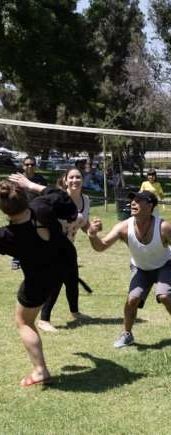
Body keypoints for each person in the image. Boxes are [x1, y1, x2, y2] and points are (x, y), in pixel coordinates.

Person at [86, 191, 171, 348]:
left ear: (150, 206)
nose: (133, 203)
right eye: (132, 200)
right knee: (132, 299)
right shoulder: (123, 227)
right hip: (141, 268)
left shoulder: (163, 227)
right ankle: (127, 334)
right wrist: (92, 235)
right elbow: (101, 247)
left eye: (138, 200)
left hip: (164, 265)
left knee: (164, 295)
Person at [0, 177, 78, 386]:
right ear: (25, 196)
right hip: (61, 266)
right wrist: (33, 185)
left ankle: (40, 370)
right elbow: (66, 201)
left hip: (38, 281)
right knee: (27, 319)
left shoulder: (7, 235)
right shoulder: (42, 206)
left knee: (23, 321)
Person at [37, 168, 91, 332]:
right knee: (56, 281)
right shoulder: (58, 198)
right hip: (51, 244)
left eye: (78, 177)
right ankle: (43, 319)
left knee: (72, 278)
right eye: (72, 177)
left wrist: (91, 229)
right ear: (65, 180)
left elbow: (83, 224)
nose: (75, 180)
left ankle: (75, 312)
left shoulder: (86, 200)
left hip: (69, 245)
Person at [11, 156, 47, 270]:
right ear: (23, 166)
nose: (30, 166)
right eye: (27, 164)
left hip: (35, 212)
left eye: (32, 164)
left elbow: (44, 195)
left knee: (36, 235)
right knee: (18, 235)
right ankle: (16, 259)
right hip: (19, 211)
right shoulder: (17, 179)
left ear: (35, 166)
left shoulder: (40, 179)